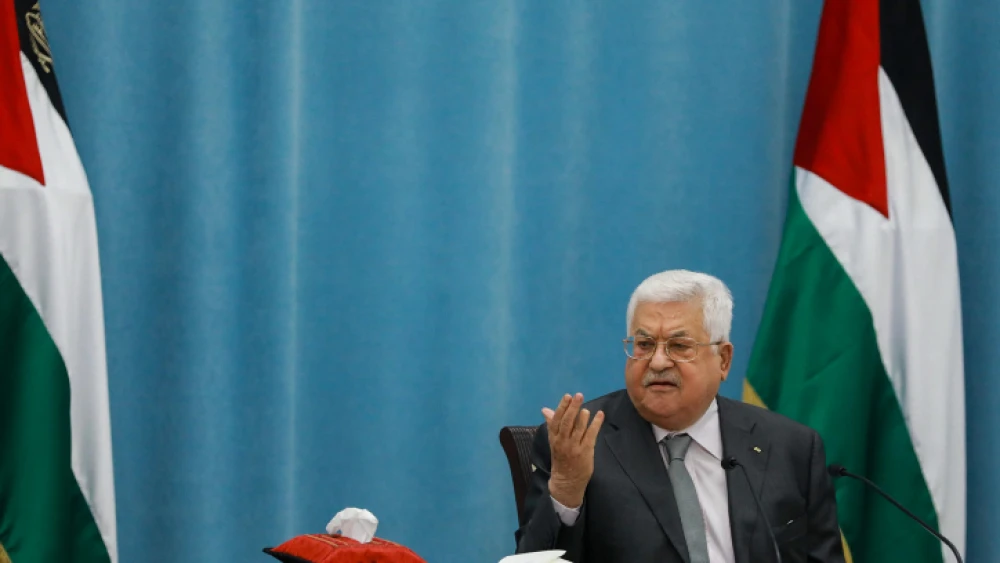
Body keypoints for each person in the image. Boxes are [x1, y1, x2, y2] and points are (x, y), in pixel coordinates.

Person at [515, 270, 845, 563]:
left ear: (723, 360)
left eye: (679, 346)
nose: (658, 362)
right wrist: (566, 490)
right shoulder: (581, 443)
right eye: (644, 344)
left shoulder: (791, 447)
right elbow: (533, 559)